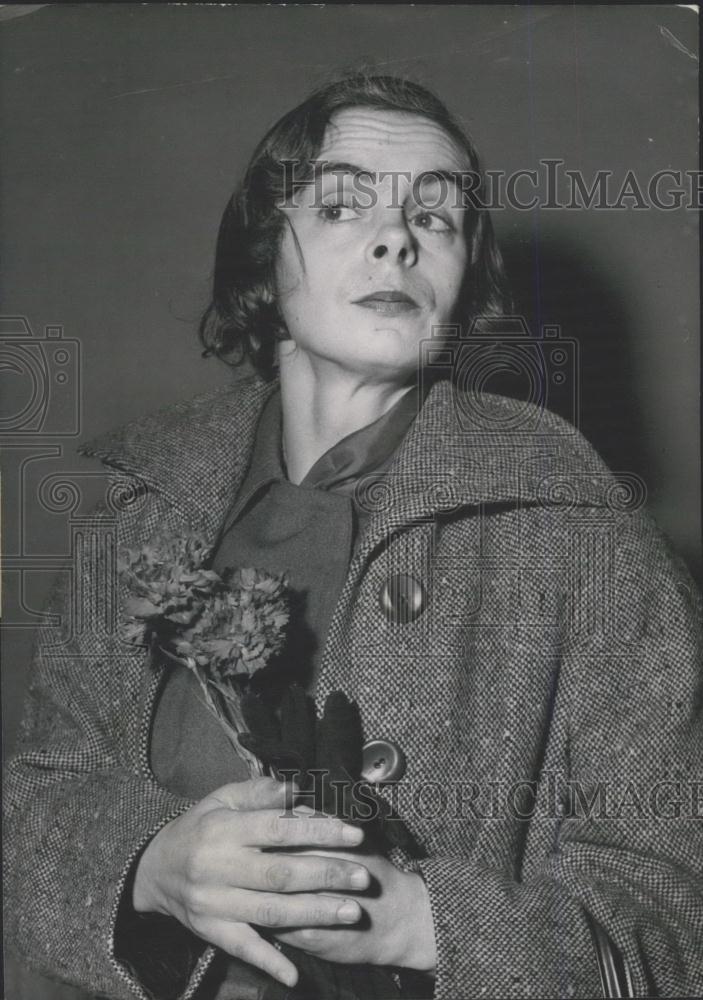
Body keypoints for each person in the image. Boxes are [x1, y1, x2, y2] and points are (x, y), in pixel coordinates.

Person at [4, 73, 703, 1000]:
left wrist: (425, 924)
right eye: (341, 205)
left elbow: (674, 918)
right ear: (264, 259)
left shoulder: (582, 536)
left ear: (462, 279)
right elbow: (38, 810)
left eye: (438, 217)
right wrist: (147, 866)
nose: (397, 237)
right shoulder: (145, 515)